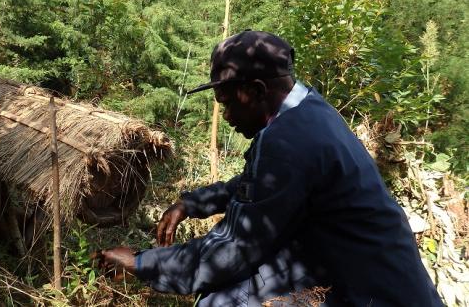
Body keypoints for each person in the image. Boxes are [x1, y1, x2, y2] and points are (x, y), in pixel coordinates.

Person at [101, 30, 443, 306]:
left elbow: (232, 252)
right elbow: (258, 184)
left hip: (373, 293)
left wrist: (141, 263)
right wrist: (193, 203)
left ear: (255, 91)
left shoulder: (288, 142)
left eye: (227, 103)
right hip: (367, 275)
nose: (228, 117)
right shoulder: (308, 111)